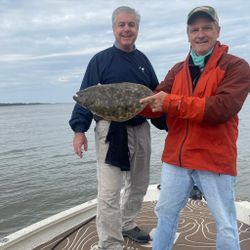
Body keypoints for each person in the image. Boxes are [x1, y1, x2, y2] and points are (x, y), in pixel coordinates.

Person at [140, 6, 250, 250]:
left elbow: (220, 108)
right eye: (194, 29)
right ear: (187, 35)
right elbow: (154, 102)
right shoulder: (177, 69)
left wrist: (169, 102)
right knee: (165, 214)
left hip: (215, 159)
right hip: (176, 159)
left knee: (225, 222)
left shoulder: (237, 67)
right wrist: (130, 103)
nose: (200, 34)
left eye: (206, 28)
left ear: (217, 31)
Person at [69, 6, 159, 250]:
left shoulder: (143, 61)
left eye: (131, 25)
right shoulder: (100, 60)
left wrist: (169, 124)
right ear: (114, 28)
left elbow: (155, 97)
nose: (127, 29)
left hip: (140, 129)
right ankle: (110, 243)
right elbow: (86, 96)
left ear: (137, 29)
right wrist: (79, 130)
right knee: (109, 192)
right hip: (109, 130)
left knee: (139, 184)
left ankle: (127, 223)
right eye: (122, 24)